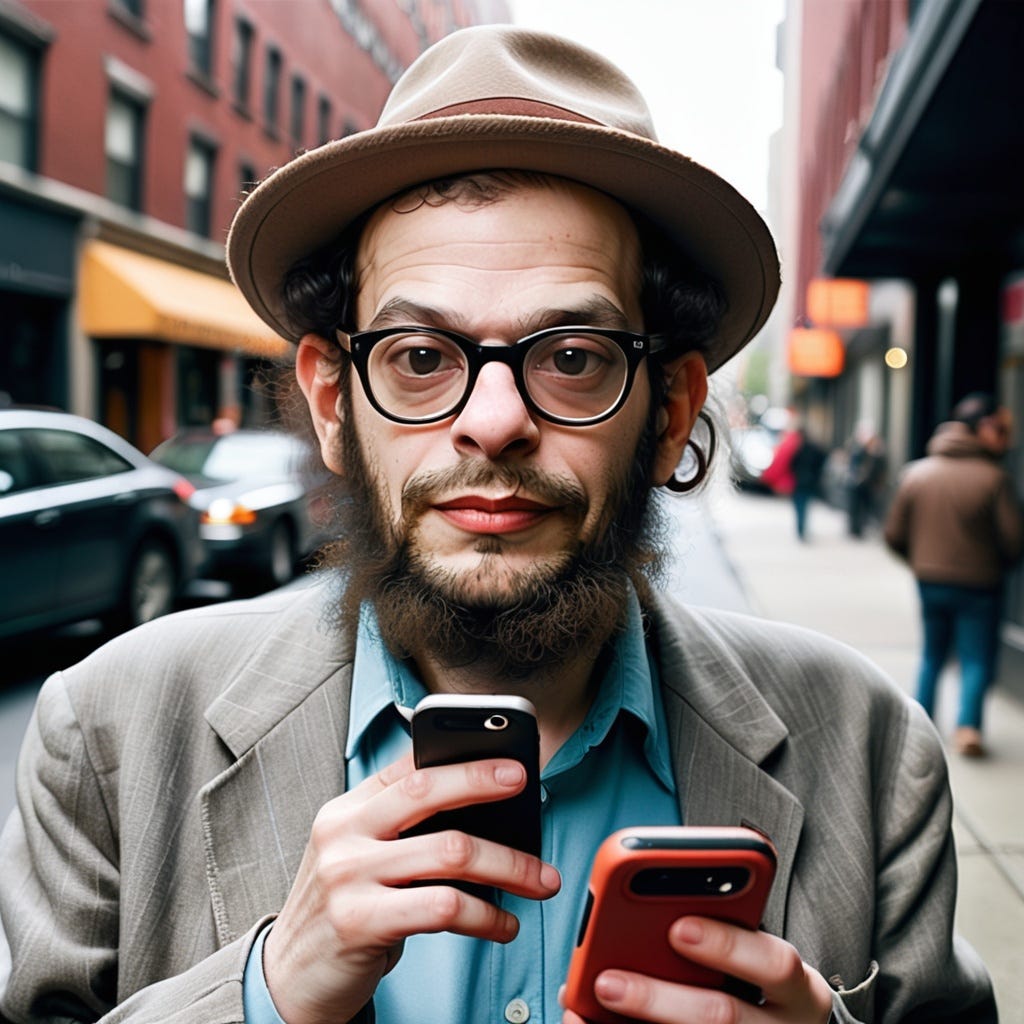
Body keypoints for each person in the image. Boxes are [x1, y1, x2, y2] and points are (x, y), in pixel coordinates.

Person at [0, 25, 994, 1024]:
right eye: (421, 356)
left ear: (670, 414)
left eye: (570, 356)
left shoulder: (867, 749)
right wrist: (259, 995)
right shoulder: (109, 732)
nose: (492, 422)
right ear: (336, 405)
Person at [884, 392, 1023, 758]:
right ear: (983, 428)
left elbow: (894, 535)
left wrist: (921, 562)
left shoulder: (917, 473)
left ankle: (921, 726)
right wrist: (997, 564)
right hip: (981, 584)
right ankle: (968, 728)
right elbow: (1013, 540)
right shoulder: (995, 479)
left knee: (932, 653)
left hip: (930, 581)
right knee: (975, 659)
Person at [845, 421, 887, 537]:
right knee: (854, 507)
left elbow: (879, 466)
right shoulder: (857, 448)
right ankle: (854, 528)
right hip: (856, 482)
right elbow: (853, 465)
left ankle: (859, 528)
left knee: (863, 507)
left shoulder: (875, 451)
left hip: (867, 484)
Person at [789, 427, 827, 541]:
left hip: (800, 482)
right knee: (804, 506)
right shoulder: (814, 448)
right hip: (809, 482)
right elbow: (822, 461)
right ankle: (802, 529)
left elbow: (791, 464)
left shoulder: (797, 448)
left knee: (800, 507)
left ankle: (801, 529)